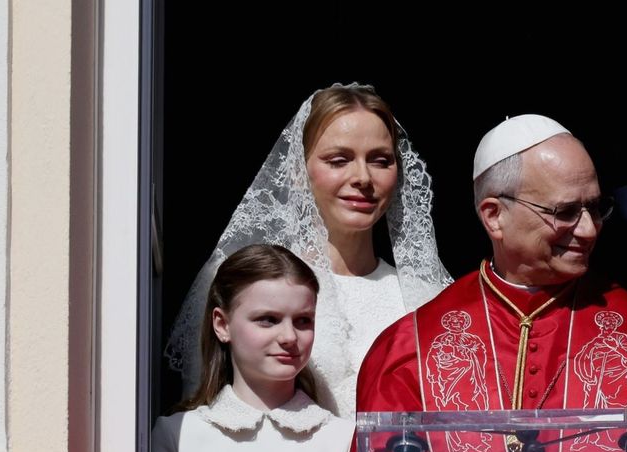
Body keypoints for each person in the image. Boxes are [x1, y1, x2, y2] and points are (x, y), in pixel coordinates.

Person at [347, 115, 627, 452]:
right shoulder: (410, 351)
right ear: (494, 216)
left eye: (596, 207)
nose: (588, 230)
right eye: (564, 212)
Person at [166, 84, 452, 418]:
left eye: (380, 160)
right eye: (339, 160)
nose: (362, 177)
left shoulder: (427, 297)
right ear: (298, 173)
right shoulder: (245, 282)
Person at [150, 244, 352, 452]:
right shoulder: (178, 436)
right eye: (268, 319)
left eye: (303, 321)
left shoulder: (342, 441)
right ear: (222, 325)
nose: (289, 337)